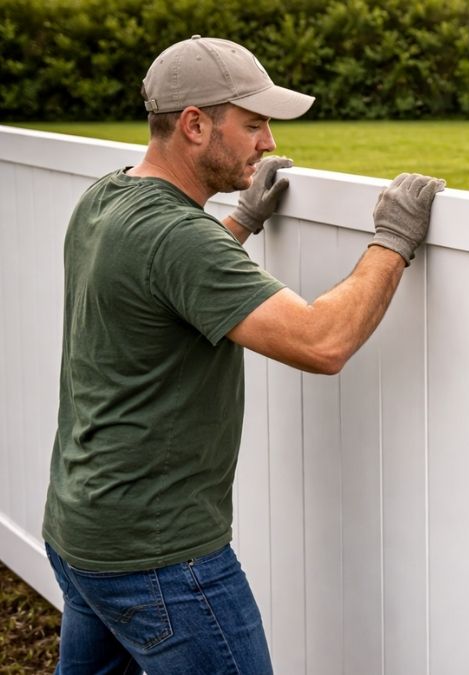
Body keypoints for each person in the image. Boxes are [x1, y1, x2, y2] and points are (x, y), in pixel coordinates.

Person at [41, 35, 444, 674]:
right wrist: (392, 239)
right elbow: (322, 341)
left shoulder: (108, 198)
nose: (269, 143)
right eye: (254, 124)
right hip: (160, 560)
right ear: (196, 125)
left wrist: (240, 223)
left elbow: (164, 289)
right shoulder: (176, 236)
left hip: (82, 530)